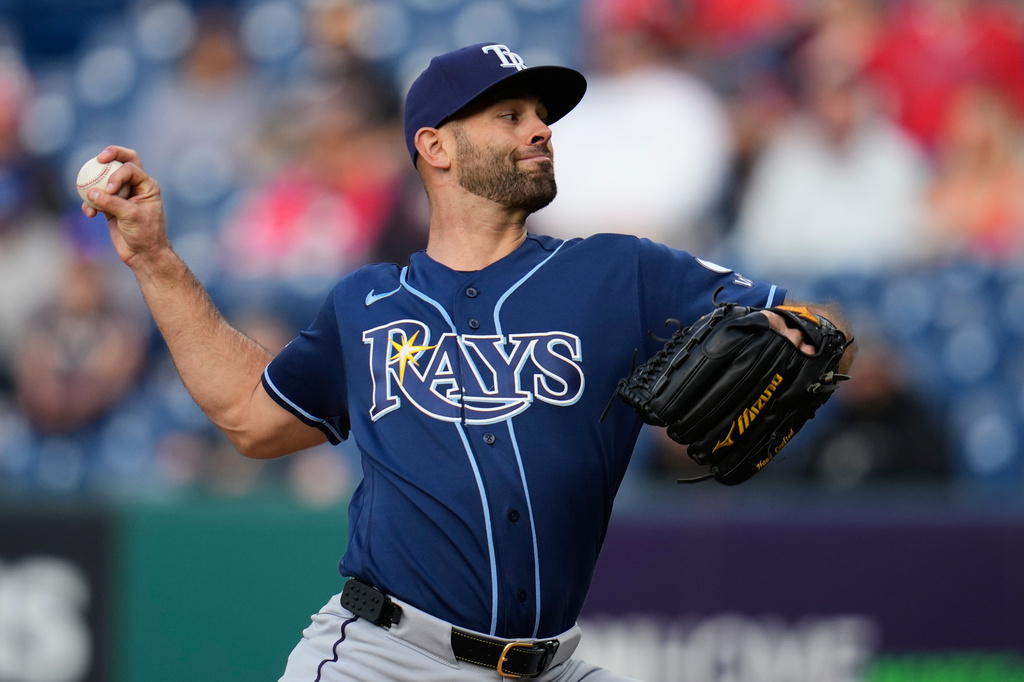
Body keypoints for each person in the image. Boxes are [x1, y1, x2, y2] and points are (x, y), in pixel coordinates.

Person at [81, 43, 853, 682]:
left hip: (550, 666)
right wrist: (152, 256)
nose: (541, 131)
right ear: (436, 146)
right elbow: (252, 418)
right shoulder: (368, 305)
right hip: (384, 658)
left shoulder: (622, 273)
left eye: (543, 118)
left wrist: (796, 331)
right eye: (510, 115)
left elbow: (813, 321)